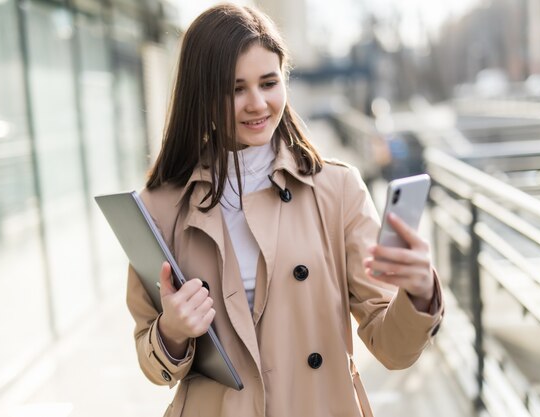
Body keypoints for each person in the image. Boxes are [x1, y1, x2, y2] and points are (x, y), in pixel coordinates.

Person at [126, 4, 443, 417]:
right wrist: (172, 332)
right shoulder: (160, 208)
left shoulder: (337, 191)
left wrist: (417, 295)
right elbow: (153, 365)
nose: (257, 104)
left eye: (269, 82)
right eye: (235, 88)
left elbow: (392, 349)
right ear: (200, 93)